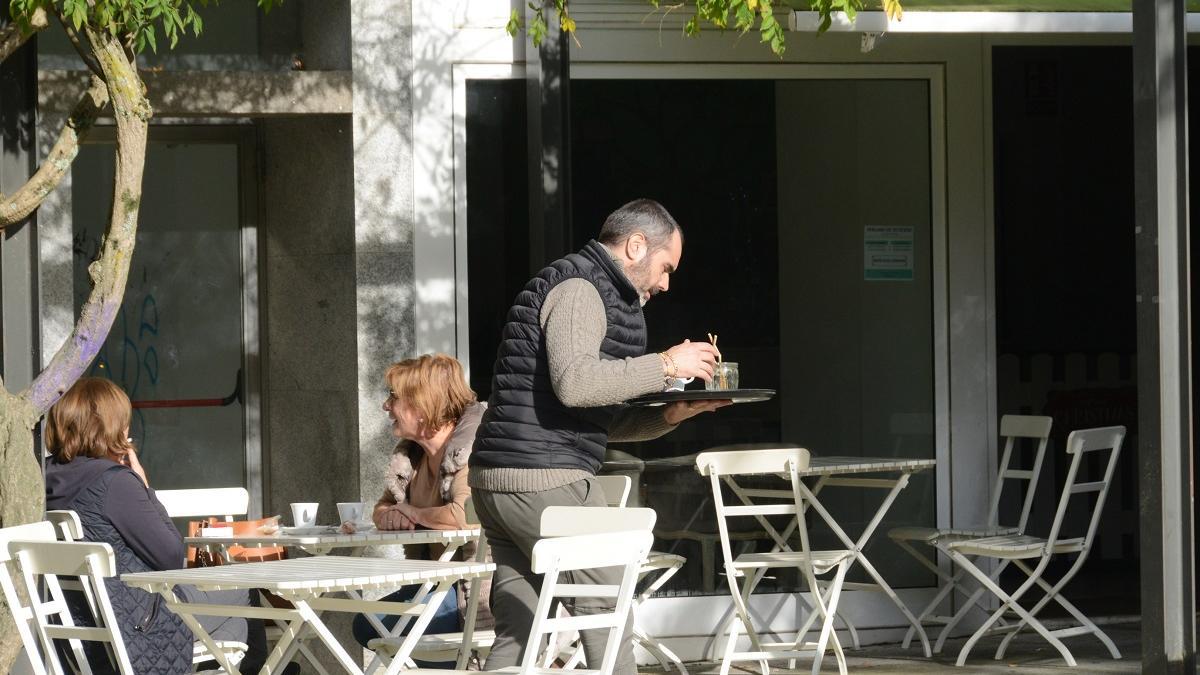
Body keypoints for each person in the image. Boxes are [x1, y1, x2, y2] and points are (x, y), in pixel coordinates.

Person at [469, 198, 726, 674]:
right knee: (606, 605)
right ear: (634, 245)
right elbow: (578, 383)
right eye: (666, 267)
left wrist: (674, 414)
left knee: (520, 627)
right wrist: (668, 364)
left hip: (503, 480)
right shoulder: (580, 289)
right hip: (540, 479)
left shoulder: (588, 288)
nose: (667, 283)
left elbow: (593, 416)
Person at [43, 377, 271, 674]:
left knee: (234, 628)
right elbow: (171, 557)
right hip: (141, 625)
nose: (128, 430)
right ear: (111, 427)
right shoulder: (114, 483)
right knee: (244, 588)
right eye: (124, 422)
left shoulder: (45, 480)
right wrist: (144, 485)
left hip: (84, 628)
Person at [351, 353, 492, 656]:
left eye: (393, 396)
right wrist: (389, 516)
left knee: (380, 625)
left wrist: (412, 513)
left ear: (423, 404)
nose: (386, 406)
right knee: (365, 624)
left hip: (471, 590)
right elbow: (384, 506)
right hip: (433, 583)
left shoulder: (471, 449)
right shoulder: (412, 457)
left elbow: (465, 515)